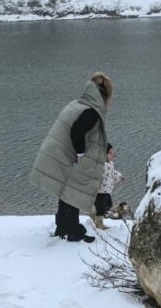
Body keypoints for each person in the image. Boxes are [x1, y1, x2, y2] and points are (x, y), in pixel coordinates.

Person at [29, 72, 114, 243]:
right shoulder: (91, 112)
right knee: (73, 192)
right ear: (103, 95)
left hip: (56, 151)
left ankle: (62, 227)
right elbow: (77, 131)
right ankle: (74, 231)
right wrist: (80, 155)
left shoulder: (78, 104)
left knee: (66, 191)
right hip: (65, 154)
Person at [92, 146, 124, 229]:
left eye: (112, 153)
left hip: (107, 190)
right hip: (99, 191)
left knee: (109, 204)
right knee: (101, 207)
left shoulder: (110, 164)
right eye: (110, 153)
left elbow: (112, 173)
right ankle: (99, 223)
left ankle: (95, 213)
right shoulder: (99, 165)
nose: (113, 155)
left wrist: (119, 176)